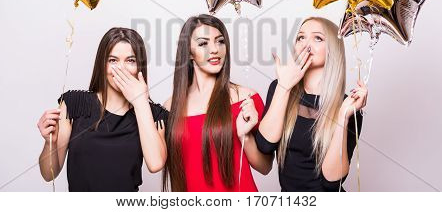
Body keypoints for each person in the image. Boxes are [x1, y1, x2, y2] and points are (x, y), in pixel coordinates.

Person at [37, 27, 168, 191]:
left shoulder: (155, 115)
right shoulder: (74, 104)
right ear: (102, 64)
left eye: (130, 60)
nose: (121, 68)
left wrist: (141, 101)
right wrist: (50, 142)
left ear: (139, 66)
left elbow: (155, 164)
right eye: (113, 60)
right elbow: (49, 174)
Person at [256, 17, 368, 191]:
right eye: (301, 37)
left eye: (317, 38)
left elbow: (331, 182)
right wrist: (284, 86)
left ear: (332, 49)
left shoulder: (349, 107)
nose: (306, 44)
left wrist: (343, 117)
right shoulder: (279, 88)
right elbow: (265, 145)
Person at [162, 14, 272, 191]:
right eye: (203, 43)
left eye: (220, 41)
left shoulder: (246, 99)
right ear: (189, 52)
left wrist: (245, 135)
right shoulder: (170, 108)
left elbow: (265, 167)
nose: (215, 49)